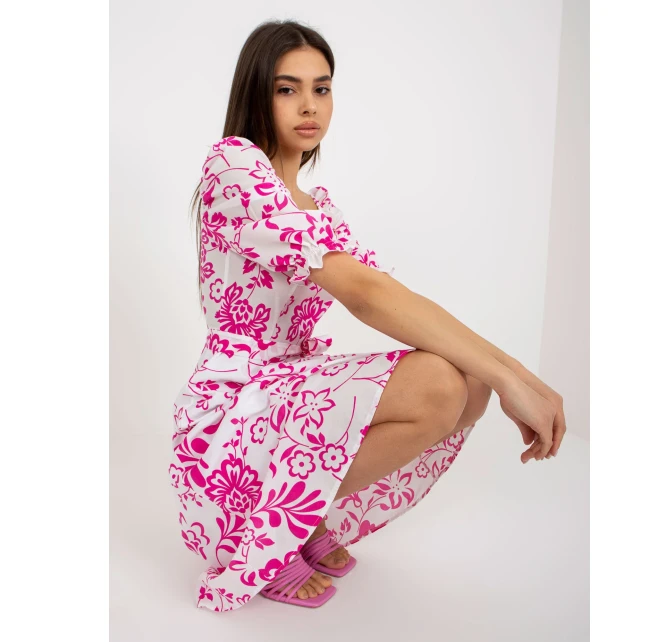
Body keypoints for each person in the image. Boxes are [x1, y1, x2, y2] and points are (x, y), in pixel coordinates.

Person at [170, 19, 567, 612]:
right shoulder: (234, 166)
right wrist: (516, 381)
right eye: (287, 89)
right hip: (234, 406)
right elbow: (364, 294)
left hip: (285, 384)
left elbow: (391, 294)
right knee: (438, 384)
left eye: (322, 88)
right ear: (256, 94)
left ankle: (299, 515)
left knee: (471, 380)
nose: (309, 105)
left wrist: (516, 376)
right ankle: (266, 530)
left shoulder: (318, 207)